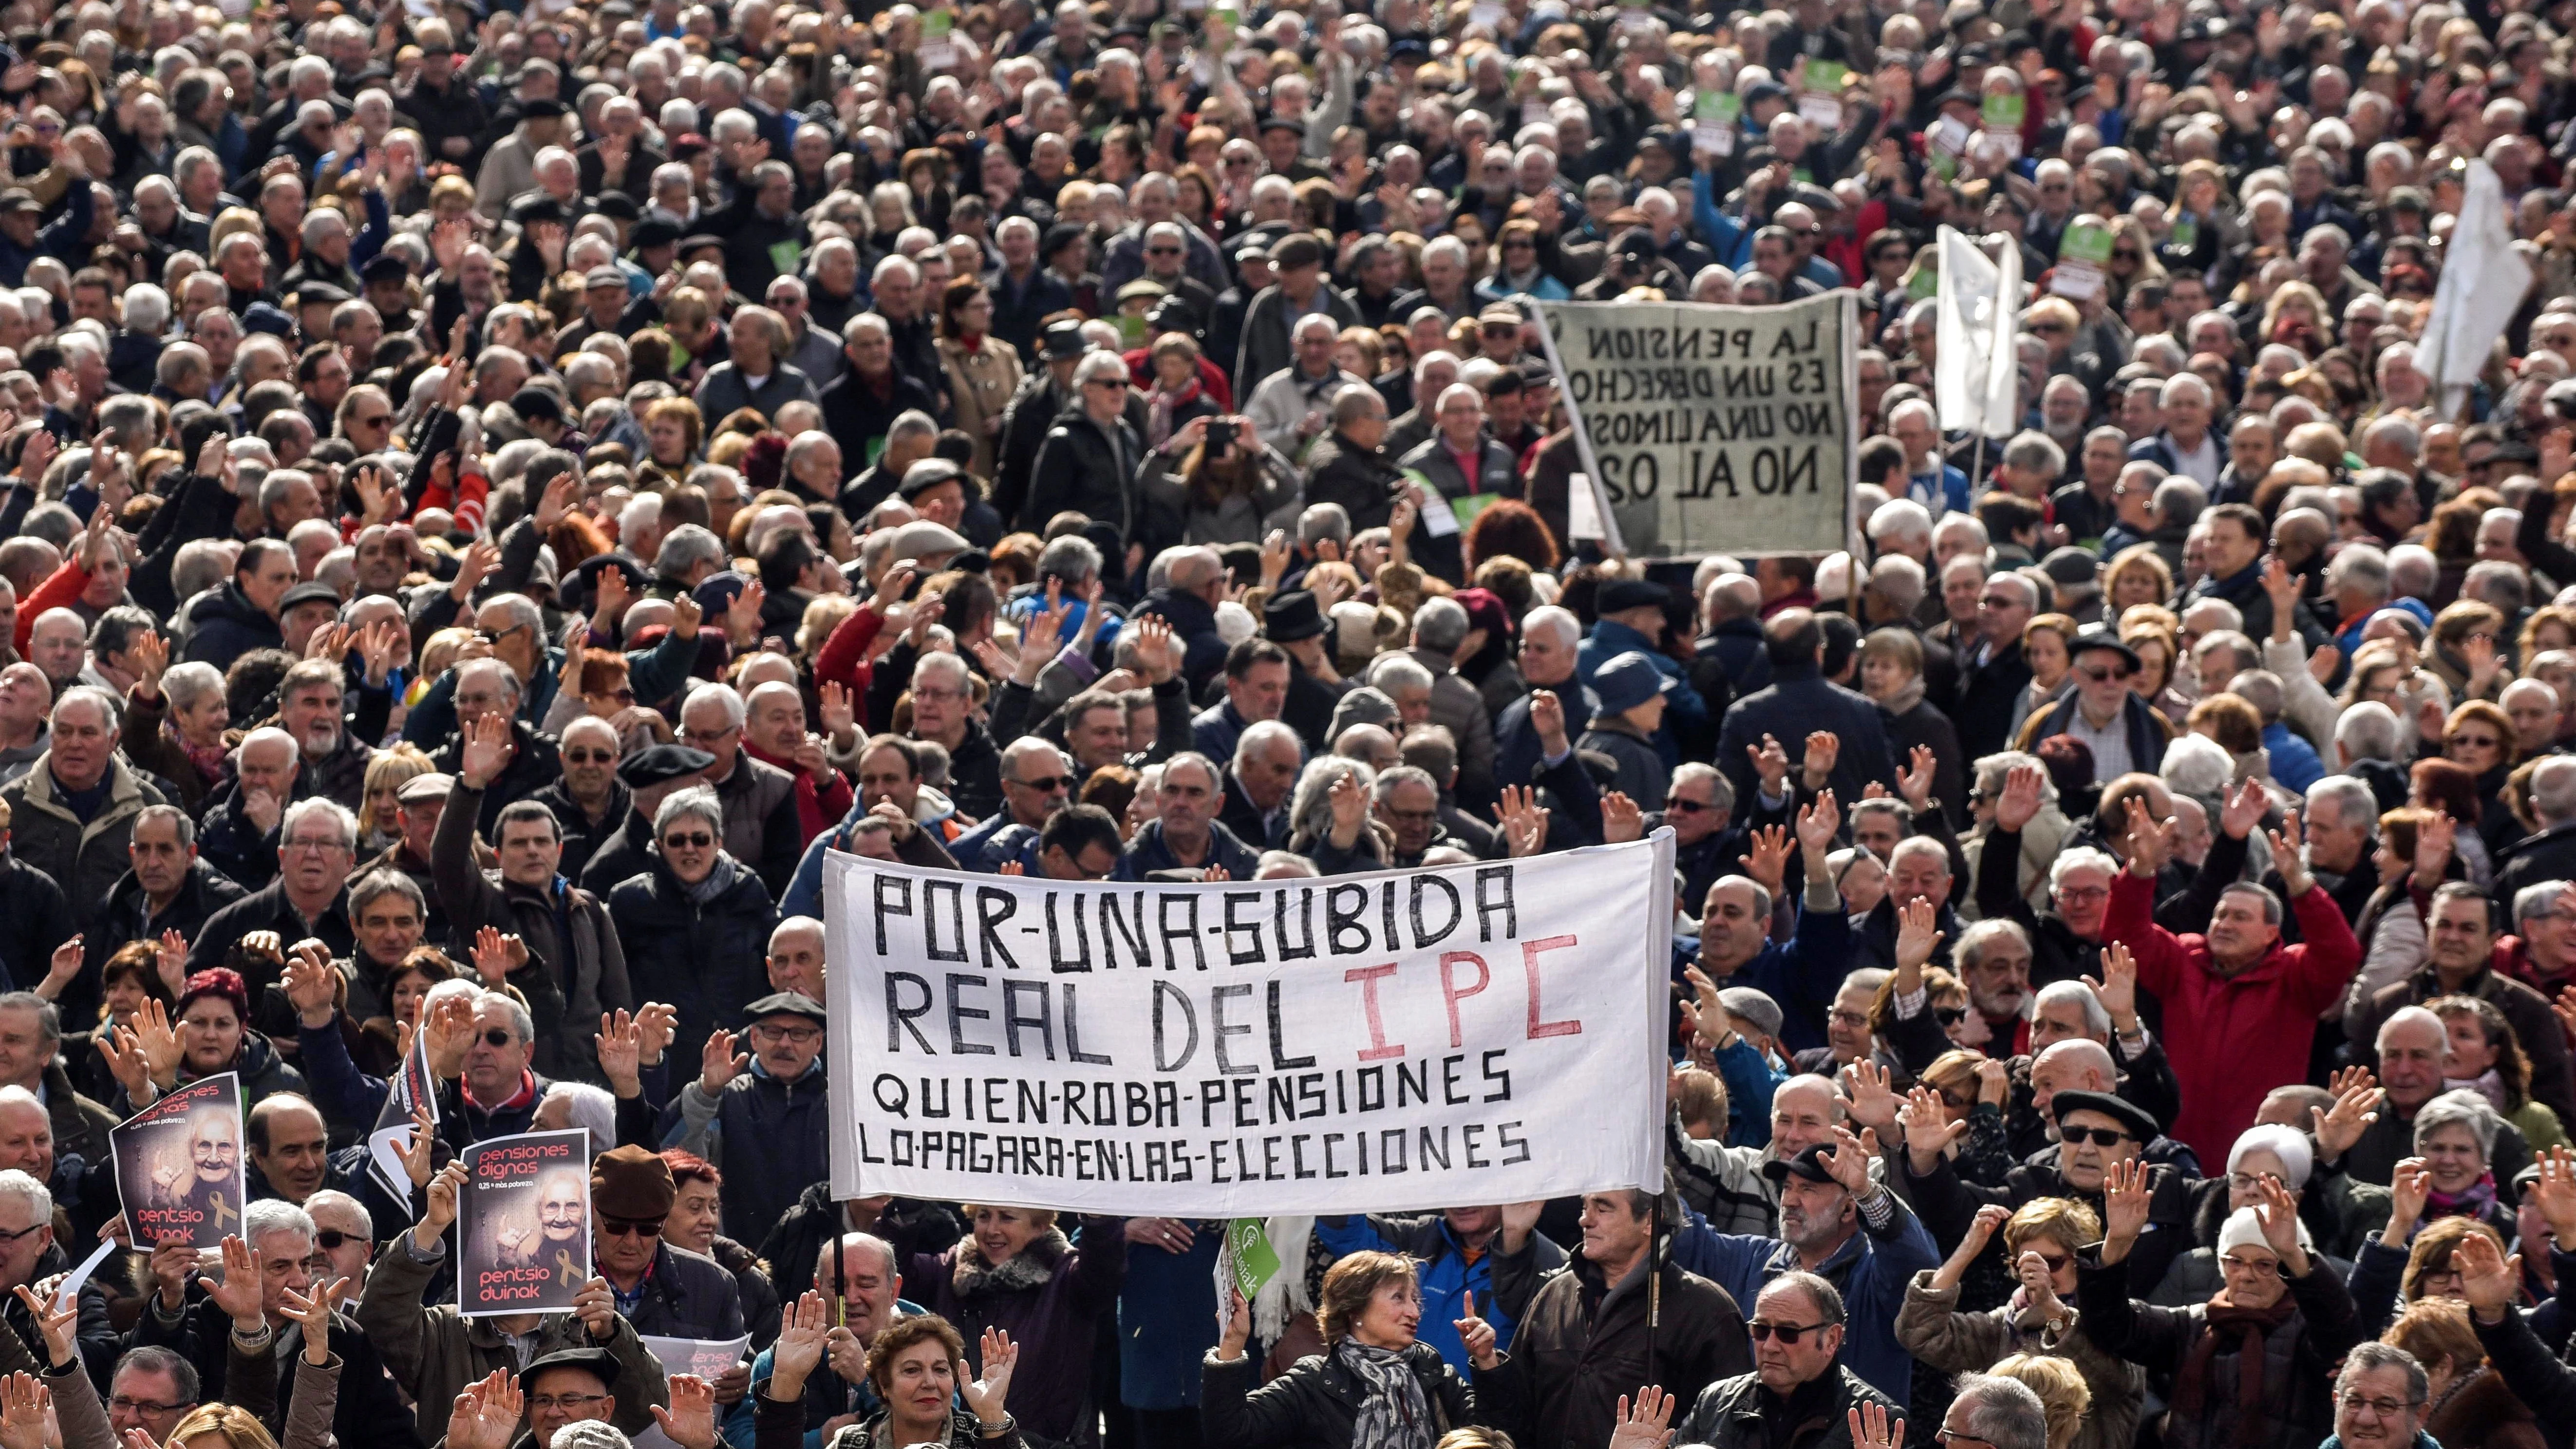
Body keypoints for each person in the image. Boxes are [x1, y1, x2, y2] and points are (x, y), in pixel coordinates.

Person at [1202, 1250, 1513, 1449]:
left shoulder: (1435, 1375)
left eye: (1415, 1301)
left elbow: (1499, 1436)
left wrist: (1487, 1361)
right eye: (1398, 1298)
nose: (1414, 1313)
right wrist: (1231, 1346)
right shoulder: (1314, 1382)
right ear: (1355, 1311)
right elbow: (1231, 1436)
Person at [1670, 1272, 1900, 1449]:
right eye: (1760, 1330)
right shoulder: (1714, 1402)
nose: (1769, 1346)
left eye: (1788, 1333)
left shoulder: (1876, 1423)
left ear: (1832, 1339)